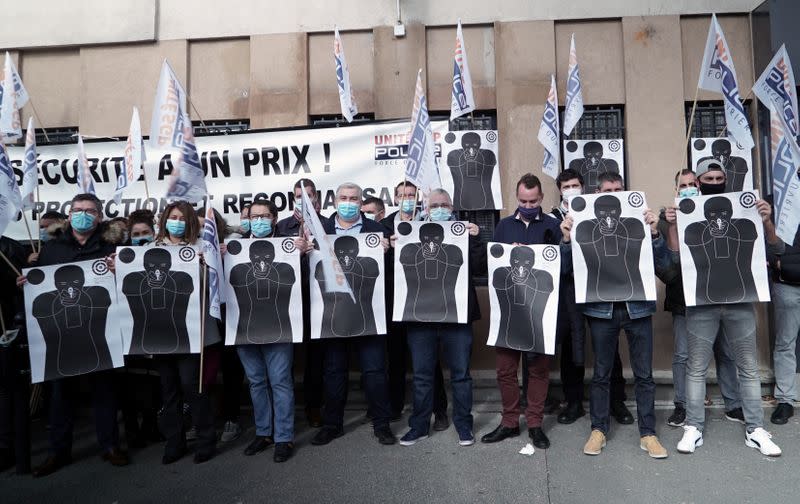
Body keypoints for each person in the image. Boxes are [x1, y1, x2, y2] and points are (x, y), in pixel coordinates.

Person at [664, 164, 784, 456]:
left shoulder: (745, 218)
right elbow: (674, 261)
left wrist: (766, 221)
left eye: (719, 179)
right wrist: (672, 224)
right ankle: (694, 426)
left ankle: (755, 428)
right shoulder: (691, 223)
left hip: (739, 301)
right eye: (709, 179)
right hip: (702, 303)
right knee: (695, 368)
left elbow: (777, 250)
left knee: (748, 367)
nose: (714, 183)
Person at [16, 194, 129, 477]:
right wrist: (26, 284)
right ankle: (59, 452)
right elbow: (39, 291)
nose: (83, 215)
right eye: (78, 210)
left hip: (100, 332)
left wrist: (121, 270)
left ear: (99, 216)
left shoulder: (113, 247)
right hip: (61, 336)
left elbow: (128, 286)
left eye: (89, 211)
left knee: (105, 391)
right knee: (60, 395)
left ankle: (110, 445)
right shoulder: (51, 250)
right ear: (69, 216)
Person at [561, 172, 670, 459]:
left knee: (644, 375)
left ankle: (648, 433)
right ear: (597, 194)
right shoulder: (584, 228)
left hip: (637, 307)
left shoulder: (638, 225)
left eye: (618, 190)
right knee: (601, 374)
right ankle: (599, 430)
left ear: (625, 192)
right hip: (601, 309)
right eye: (608, 190)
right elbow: (566, 269)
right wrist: (566, 239)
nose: (613, 194)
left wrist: (656, 234)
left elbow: (665, 267)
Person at [398, 188, 486, 447]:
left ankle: (464, 425)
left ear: (452, 206)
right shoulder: (410, 233)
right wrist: (394, 244)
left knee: (461, 375)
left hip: (456, 316)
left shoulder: (464, 232)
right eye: (434, 205)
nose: (439, 208)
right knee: (423, 376)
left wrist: (477, 240)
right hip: (420, 318)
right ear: (425, 207)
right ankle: (419, 426)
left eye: (444, 204)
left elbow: (481, 268)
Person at [311, 182, 396, 446]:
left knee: (375, 371)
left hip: (368, 313)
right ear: (335, 201)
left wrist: (388, 251)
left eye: (354, 199)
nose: (348, 202)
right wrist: (302, 251)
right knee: (334, 371)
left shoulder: (376, 230)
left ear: (361, 203)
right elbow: (311, 273)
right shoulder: (319, 230)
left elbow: (389, 274)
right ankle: (332, 425)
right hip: (333, 315)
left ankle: (382, 425)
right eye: (343, 198)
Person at [657, 169, 742, 428]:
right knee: (684, 355)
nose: (689, 188)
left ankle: (734, 404)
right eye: (683, 185)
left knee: (725, 352)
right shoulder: (664, 221)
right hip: (684, 300)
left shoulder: (719, 215)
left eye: (693, 183)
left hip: (720, 296)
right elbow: (668, 272)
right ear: (676, 190)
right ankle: (683, 406)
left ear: (700, 185)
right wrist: (671, 226)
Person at [481, 174, 560, 449]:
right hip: (509, 313)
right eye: (523, 201)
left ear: (541, 199)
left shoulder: (553, 226)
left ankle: (535, 424)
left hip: (538, 313)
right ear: (517, 198)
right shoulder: (503, 226)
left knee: (538, 370)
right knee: (505, 370)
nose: (528, 205)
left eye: (533, 201)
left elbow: (562, 270)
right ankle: (510, 422)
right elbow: (493, 266)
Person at [550, 169, 632, 425]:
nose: (571, 189)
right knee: (572, 348)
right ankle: (573, 402)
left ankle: (616, 402)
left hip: (600, 286)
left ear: (584, 187)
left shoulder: (599, 211)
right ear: (560, 190)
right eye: (566, 186)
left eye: (575, 184)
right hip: (569, 290)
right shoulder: (552, 218)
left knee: (608, 346)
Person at [236, 198, 305, 462]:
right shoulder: (235, 247)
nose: (260, 220)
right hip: (245, 326)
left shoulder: (289, 246)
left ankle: (283, 438)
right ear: (248, 219)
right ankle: (263, 432)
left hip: (279, 324)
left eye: (265, 216)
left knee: (280, 381)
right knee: (256, 382)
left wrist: (303, 252)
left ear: (274, 219)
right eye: (255, 216)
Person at [152, 201, 220, 464]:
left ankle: (205, 440)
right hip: (163, 332)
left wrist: (206, 266)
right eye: (173, 217)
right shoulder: (150, 250)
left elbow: (212, 288)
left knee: (194, 387)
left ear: (190, 221)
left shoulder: (202, 247)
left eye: (182, 217)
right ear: (165, 220)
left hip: (194, 330)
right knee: (168, 390)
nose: (177, 221)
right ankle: (174, 442)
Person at [380, 181, 449, 427]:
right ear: (395, 198)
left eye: (411, 195)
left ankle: (439, 410)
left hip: (424, 300)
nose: (407, 199)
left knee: (430, 360)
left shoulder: (428, 223)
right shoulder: (384, 226)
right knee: (396, 357)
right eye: (402, 195)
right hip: (396, 302)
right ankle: (395, 406)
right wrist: (387, 249)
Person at [277, 178, 326, 428]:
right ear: (293, 197)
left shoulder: (328, 224)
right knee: (287, 357)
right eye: (299, 195)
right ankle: (285, 410)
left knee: (316, 357)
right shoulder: (282, 226)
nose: (304, 199)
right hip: (290, 300)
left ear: (317, 196)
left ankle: (313, 406)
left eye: (308, 194)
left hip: (321, 299)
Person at [118, 209, 161, 450]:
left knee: (153, 382)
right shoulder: (120, 258)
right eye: (136, 233)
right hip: (130, 325)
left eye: (146, 233)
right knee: (130, 384)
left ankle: (152, 425)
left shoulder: (163, 255)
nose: (141, 236)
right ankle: (132, 430)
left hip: (156, 326)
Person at [0, 235, 31, 474]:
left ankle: (13, 451)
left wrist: (16, 283)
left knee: (12, 394)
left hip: (9, 328)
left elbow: (24, 287)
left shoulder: (11, 247)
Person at [768, 219, 800, 425]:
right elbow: (764, 240)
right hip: (787, 285)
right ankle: (785, 400)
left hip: (787, 275)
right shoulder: (777, 200)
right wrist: (781, 263)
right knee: (785, 343)